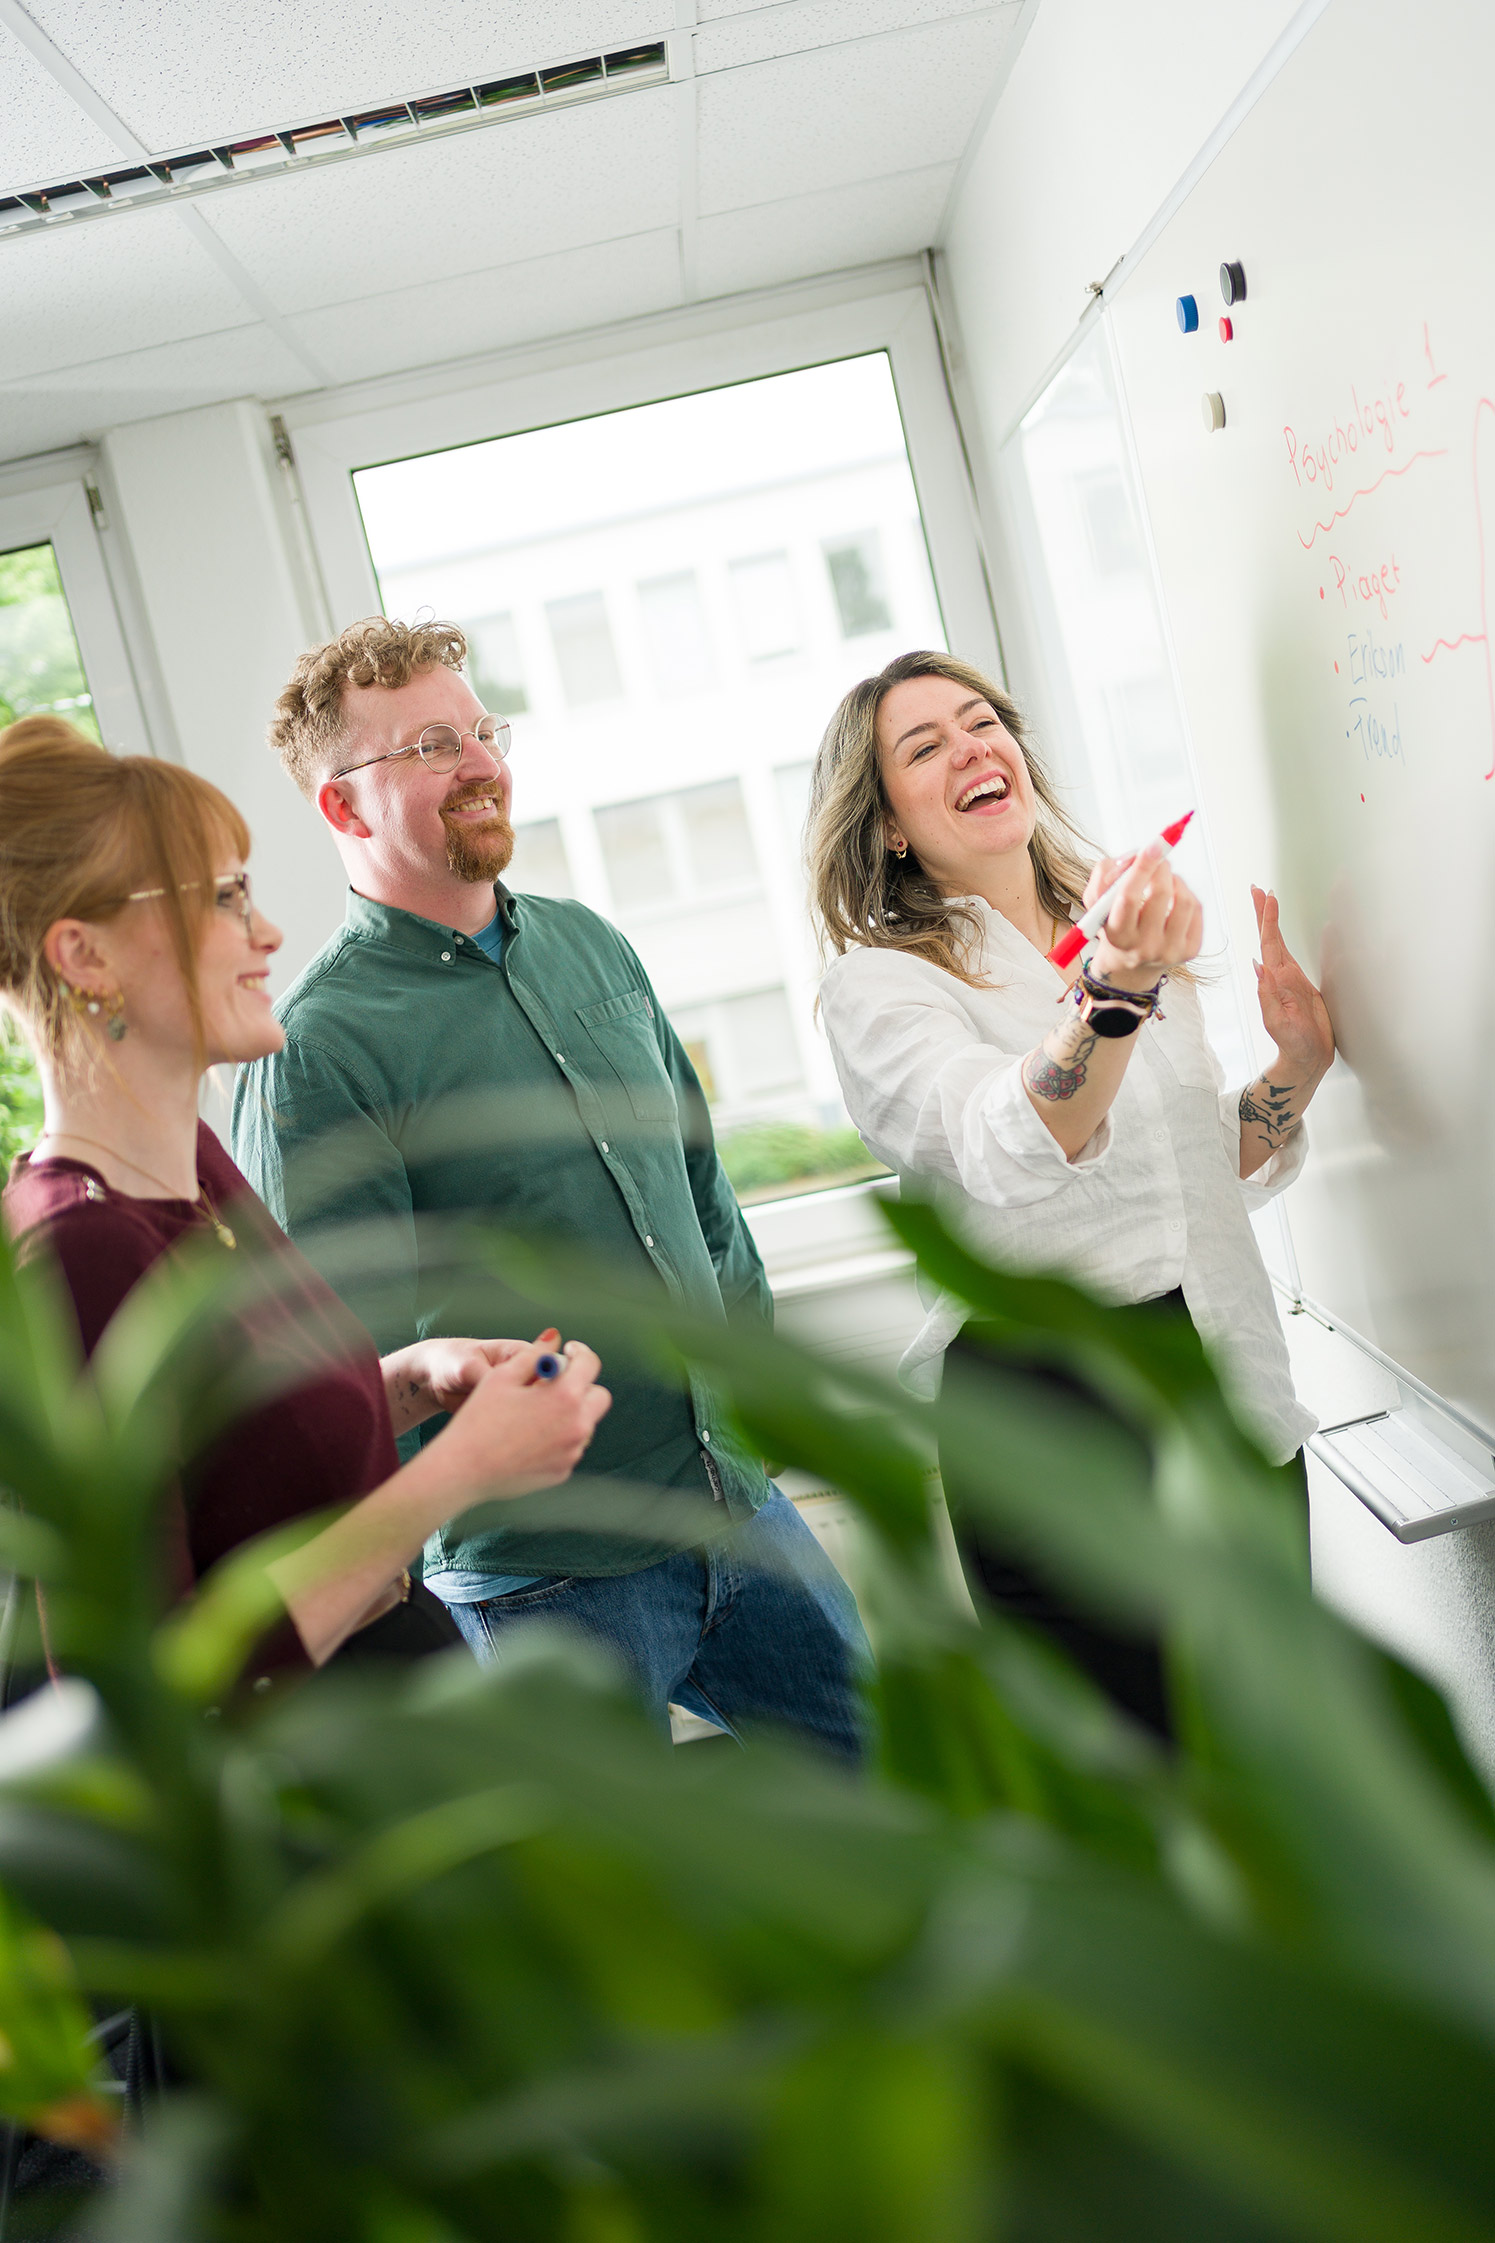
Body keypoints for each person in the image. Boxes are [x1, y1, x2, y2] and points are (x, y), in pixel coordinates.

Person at [230, 617, 868, 1759]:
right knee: (607, 1915)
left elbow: (704, 1198)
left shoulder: (590, 945)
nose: (481, 762)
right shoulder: (317, 1043)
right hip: (545, 1585)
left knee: (903, 1801)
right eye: (432, 745)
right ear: (342, 806)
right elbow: (329, 1361)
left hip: (736, 1505)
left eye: (481, 729)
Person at [0, 715, 611, 1680]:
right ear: (84, 957)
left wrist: (416, 1378)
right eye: (224, 897)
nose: (268, 932)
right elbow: (157, 1668)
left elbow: (239, 1451)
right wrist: (461, 1470)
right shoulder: (76, 1251)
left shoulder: (196, 1166)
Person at [809, 652, 1333, 1736]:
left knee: (1281, 1773)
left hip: (1227, 1386)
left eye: (981, 720)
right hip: (1054, 1415)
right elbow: (1013, 1144)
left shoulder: (1114, 918)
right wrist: (1116, 986)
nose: (972, 746)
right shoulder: (882, 984)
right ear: (890, 823)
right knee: (1144, 1796)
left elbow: (1182, 1169)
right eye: (925, 746)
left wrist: (1296, 1066)